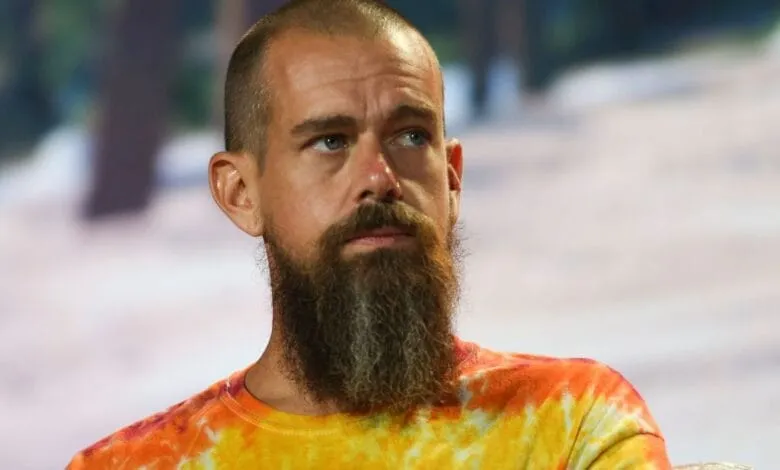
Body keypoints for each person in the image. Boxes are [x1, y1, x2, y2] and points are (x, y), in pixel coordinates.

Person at [67, 0, 671, 468]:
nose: (380, 179)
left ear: (453, 179)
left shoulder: (571, 422)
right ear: (240, 193)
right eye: (330, 141)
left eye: (411, 136)